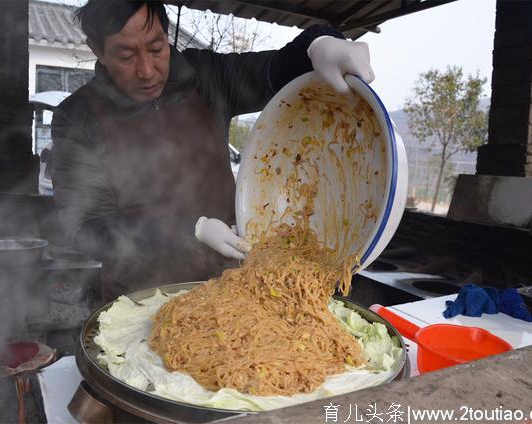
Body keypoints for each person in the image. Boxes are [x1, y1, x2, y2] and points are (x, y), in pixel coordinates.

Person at [51, 0, 374, 302]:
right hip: (139, 299)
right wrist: (193, 229)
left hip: (228, 287)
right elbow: (87, 228)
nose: (147, 70)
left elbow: (278, 68)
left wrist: (319, 43)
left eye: (156, 48)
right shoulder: (78, 117)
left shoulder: (205, 76)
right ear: (98, 51)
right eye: (126, 56)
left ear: (167, 36)